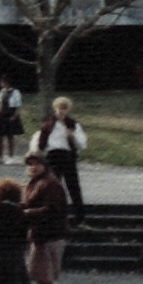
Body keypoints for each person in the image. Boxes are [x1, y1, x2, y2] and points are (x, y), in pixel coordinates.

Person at [20, 152, 70, 284]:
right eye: (29, 164)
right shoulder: (37, 182)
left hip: (49, 236)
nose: (32, 167)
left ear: (44, 164)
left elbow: (52, 210)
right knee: (43, 279)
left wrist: (26, 213)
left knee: (46, 279)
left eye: (36, 163)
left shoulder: (50, 184)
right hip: (41, 235)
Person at [30, 96, 87, 224]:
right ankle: (54, 218)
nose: (62, 111)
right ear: (55, 109)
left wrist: (72, 137)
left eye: (64, 108)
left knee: (73, 187)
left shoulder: (73, 124)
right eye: (59, 108)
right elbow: (38, 141)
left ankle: (80, 218)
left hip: (67, 156)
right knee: (53, 188)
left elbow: (82, 144)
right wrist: (35, 153)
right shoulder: (48, 125)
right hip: (52, 156)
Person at [0, 77, 24, 164]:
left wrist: (15, 116)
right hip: (2, 114)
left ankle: (10, 157)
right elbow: (0, 104)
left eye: (2, 82)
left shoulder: (15, 92)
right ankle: (0, 156)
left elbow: (18, 106)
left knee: (10, 136)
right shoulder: (2, 92)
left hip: (11, 113)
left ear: (6, 82)